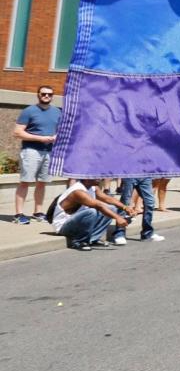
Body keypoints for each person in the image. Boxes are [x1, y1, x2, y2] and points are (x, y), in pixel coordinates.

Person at [12, 85, 61, 225]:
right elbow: (18, 132)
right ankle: (18, 214)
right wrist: (40, 138)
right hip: (31, 151)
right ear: (38, 95)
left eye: (49, 94)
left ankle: (38, 212)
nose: (46, 96)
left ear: (52, 96)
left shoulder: (57, 112)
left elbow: (61, 130)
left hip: (49, 151)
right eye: (43, 94)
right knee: (25, 182)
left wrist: (56, 136)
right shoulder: (29, 111)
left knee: (42, 183)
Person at [52, 178, 134, 251]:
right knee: (91, 212)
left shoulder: (93, 187)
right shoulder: (78, 191)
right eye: (96, 177)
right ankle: (79, 241)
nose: (100, 178)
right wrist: (118, 218)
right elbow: (99, 205)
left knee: (111, 208)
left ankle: (93, 239)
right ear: (87, 178)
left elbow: (107, 198)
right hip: (63, 226)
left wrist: (125, 207)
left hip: (77, 223)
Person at [117, 177, 165, 243]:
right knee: (125, 202)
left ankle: (147, 233)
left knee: (150, 202)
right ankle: (119, 234)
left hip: (144, 174)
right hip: (129, 173)